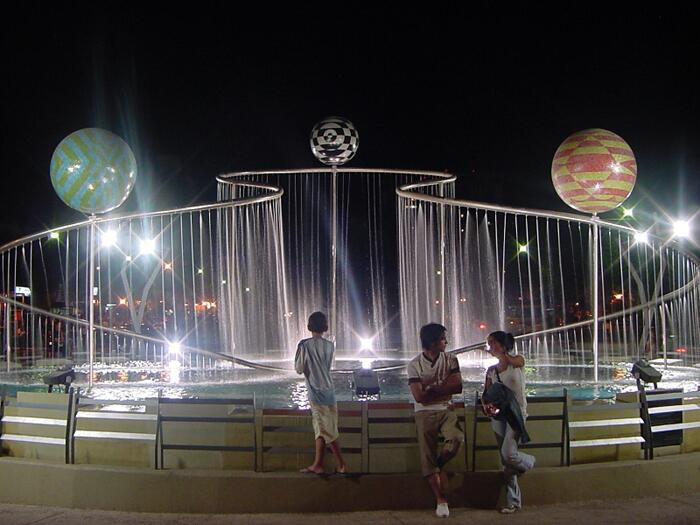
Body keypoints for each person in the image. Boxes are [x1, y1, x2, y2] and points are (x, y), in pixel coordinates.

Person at [407, 323, 464, 518]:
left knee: (456, 439)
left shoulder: (451, 359)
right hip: (423, 413)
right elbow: (419, 397)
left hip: (447, 409)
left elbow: (458, 386)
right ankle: (441, 499)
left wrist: (432, 389)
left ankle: (436, 466)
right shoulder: (414, 364)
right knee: (427, 455)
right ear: (432, 342)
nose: (446, 342)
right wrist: (444, 386)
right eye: (442, 339)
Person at [482, 331, 535, 514]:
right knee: (506, 461)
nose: (492, 346)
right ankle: (513, 502)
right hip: (499, 417)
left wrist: (501, 354)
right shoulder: (491, 371)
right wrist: (487, 407)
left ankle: (528, 462)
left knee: (508, 454)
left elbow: (515, 361)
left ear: (504, 344)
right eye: (490, 343)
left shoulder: (517, 362)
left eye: (495, 342)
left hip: (517, 415)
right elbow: (487, 395)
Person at [295, 311, 347, 475]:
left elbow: (298, 369)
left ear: (309, 326)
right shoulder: (330, 345)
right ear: (325, 327)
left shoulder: (304, 345)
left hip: (316, 393)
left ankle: (342, 464)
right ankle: (317, 464)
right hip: (330, 391)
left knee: (327, 430)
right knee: (322, 428)